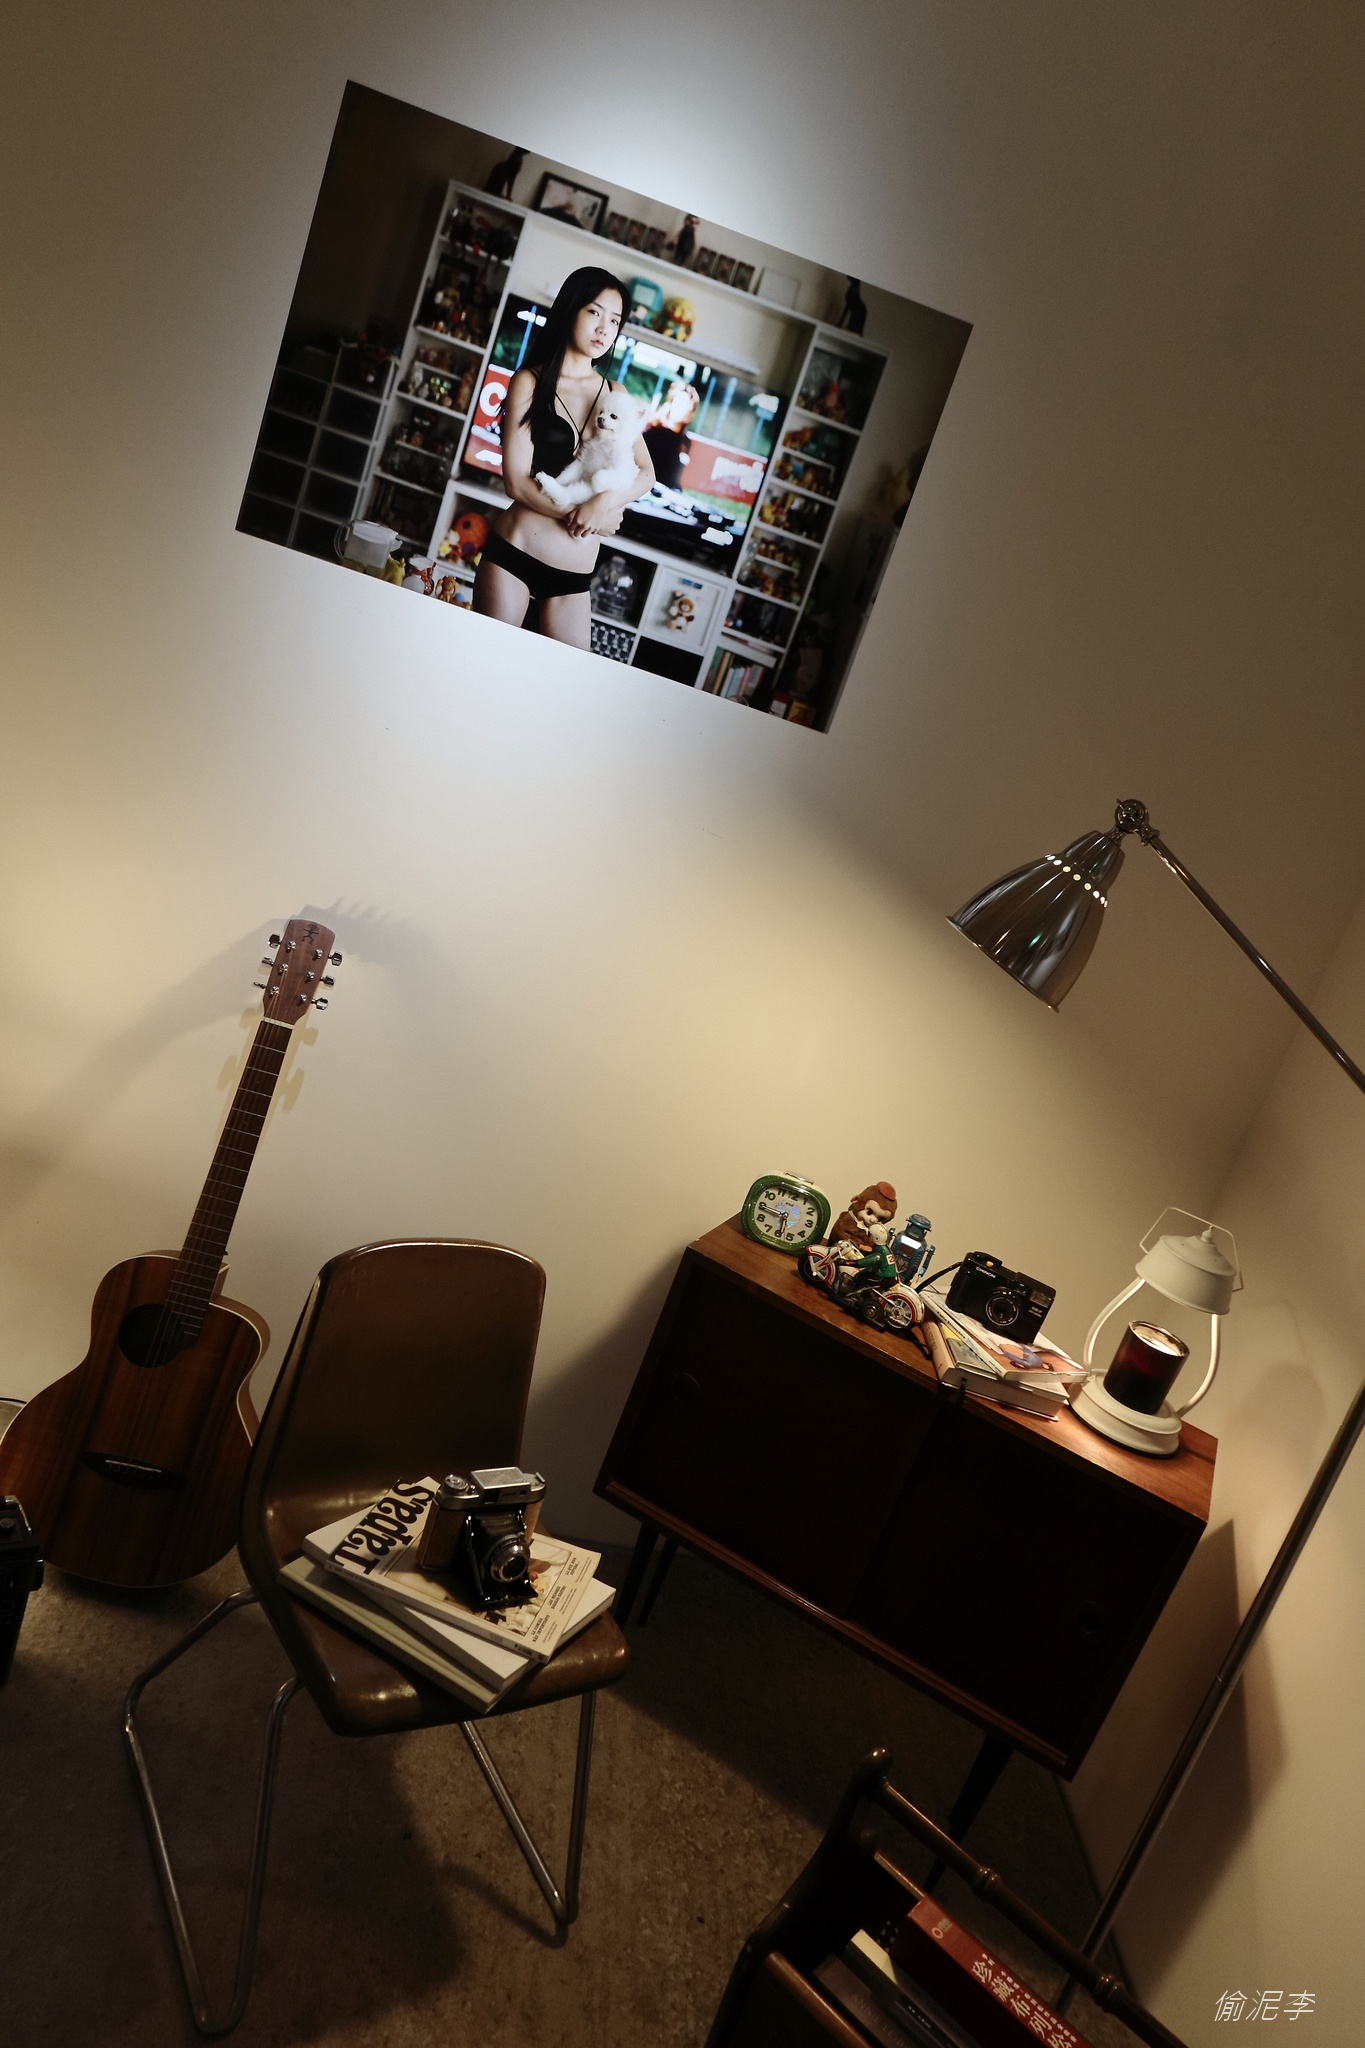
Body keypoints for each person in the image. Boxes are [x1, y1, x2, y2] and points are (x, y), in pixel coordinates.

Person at [472, 267, 654, 648]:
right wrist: (580, 514)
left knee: (566, 681)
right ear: (571, 309)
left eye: (615, 321)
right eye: (595, 312)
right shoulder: (529, 382)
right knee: (484, 665)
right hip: (515, 555)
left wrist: (603, 505)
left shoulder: (615, 392)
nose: (604, 328)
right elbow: (516, 482)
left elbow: (646, 473)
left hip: (574, 579)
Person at [642, 379, 700, 491]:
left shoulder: (685, 442)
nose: (683, 409)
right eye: (680, 403)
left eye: (688, 406)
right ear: (671, 403)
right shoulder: (653, 432)